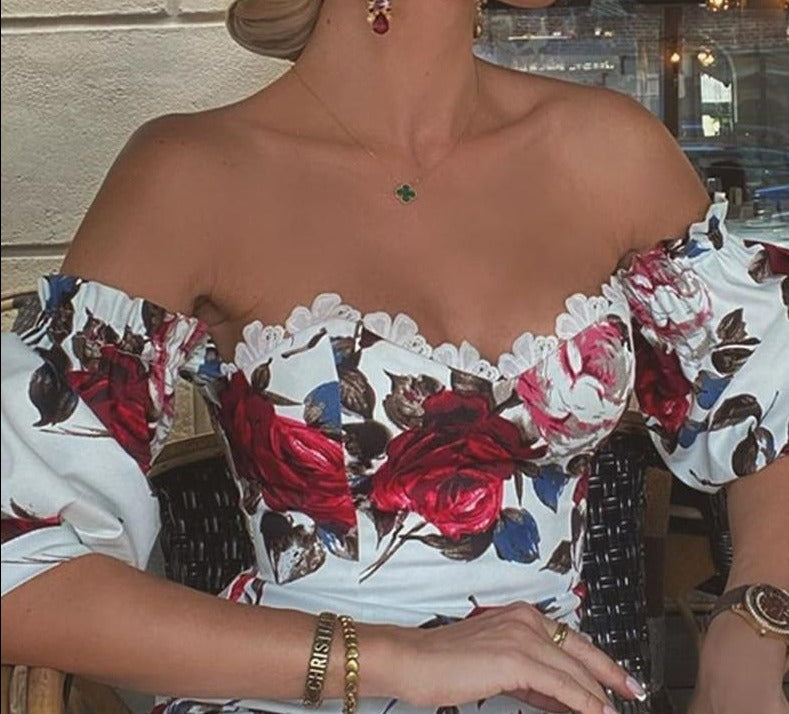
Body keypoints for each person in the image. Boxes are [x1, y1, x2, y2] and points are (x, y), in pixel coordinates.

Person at [1, 1, 787, 713]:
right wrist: (390, 658)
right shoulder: (191, 172)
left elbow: (769, 410)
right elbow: (18, 569)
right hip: (296, 691)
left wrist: (753, 622)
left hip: (557, 690)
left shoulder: (608, 148)